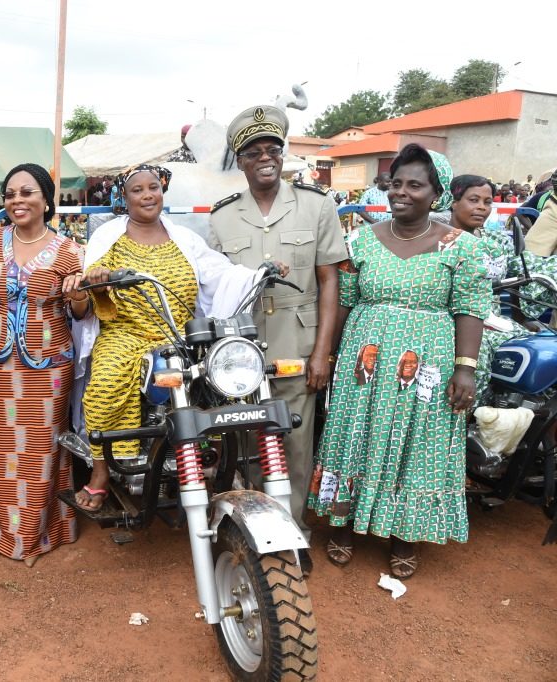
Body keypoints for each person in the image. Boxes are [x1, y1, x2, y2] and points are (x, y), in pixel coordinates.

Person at [308, 144, 491, 580]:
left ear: (437, 193)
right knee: (355, 433)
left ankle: (404, 535)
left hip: (427, 365)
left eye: (415, 185)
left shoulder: (460, 247)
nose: (401, 192)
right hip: (364, 363)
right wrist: (330, 354)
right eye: (395, 184)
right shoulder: (362, 240)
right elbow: (345, 303)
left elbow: (471, 307)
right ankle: (343, 521)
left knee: (417, 442)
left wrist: (465, 368)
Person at [70, 164, 271, 514]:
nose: (147, 195)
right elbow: (87, 290)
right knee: (104, 388)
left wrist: (259, 274)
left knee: (219, 387)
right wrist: (97, 278)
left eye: (154, 188)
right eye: (137, 190)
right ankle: (102, 472)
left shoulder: (184, 238)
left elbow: (219, 273)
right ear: (125, 197)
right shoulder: (109, 238)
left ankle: (214, 469)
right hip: (125, 333)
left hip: (177, 335)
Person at [208, 105, 348, 573]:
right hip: (243, 344)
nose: (265, 158)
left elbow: (331, 281)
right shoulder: (224, 217)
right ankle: (252, 531)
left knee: (294, 440)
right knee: (246, 439)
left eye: (273, 149)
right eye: (253, 152)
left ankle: (293, 535)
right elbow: (215, 284)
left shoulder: (316, 204)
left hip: (298, 339)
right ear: (240, 161)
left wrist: (323, 352)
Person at [0, 163, 86, 568]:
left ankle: (35, 536)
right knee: (0, 448)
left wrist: (77, 293)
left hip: (50, 365)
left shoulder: (69, 251)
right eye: (10, 194)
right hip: (0, 363)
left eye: (26, 193)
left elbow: (83, 311)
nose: (17, 201)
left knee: (41, 452)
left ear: (46, 199)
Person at [449, 174, 557, 403]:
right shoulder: (439, 239)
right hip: (453, 322)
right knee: (476, 357)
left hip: (495, 322)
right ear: (453, 202)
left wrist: (521, 319)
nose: (481, 207)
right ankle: (463, 421)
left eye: (487, 202)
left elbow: (522, 270)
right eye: (473, 200)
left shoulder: (497, 239)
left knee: (546, 347)